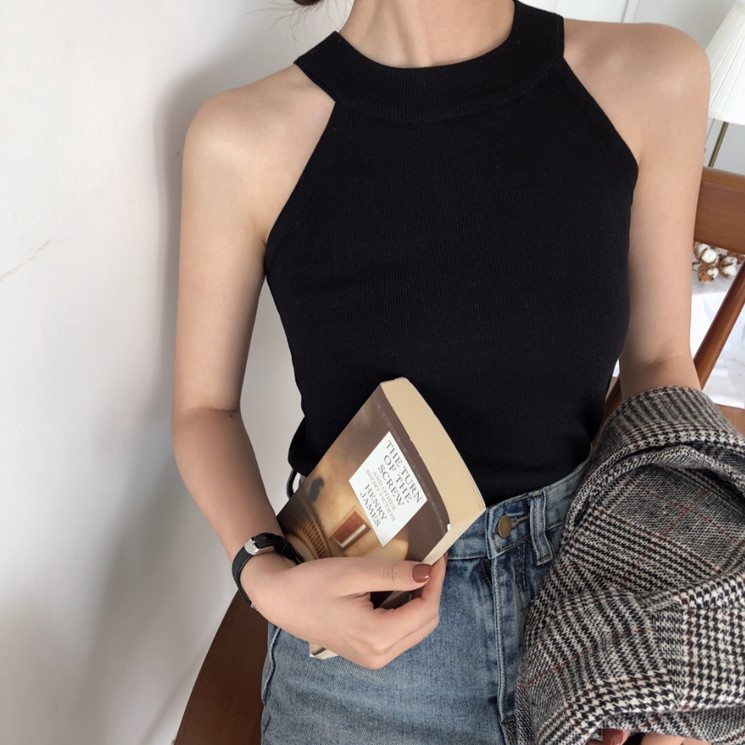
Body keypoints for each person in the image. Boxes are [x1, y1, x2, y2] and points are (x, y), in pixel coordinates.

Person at [170, 1, 714, 743]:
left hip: (593, 602)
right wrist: (265, 576)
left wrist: (680, 639)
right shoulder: (243, 137)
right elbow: (203, 410)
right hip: (366, 618)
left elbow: (660, 366)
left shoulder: (652, 75)